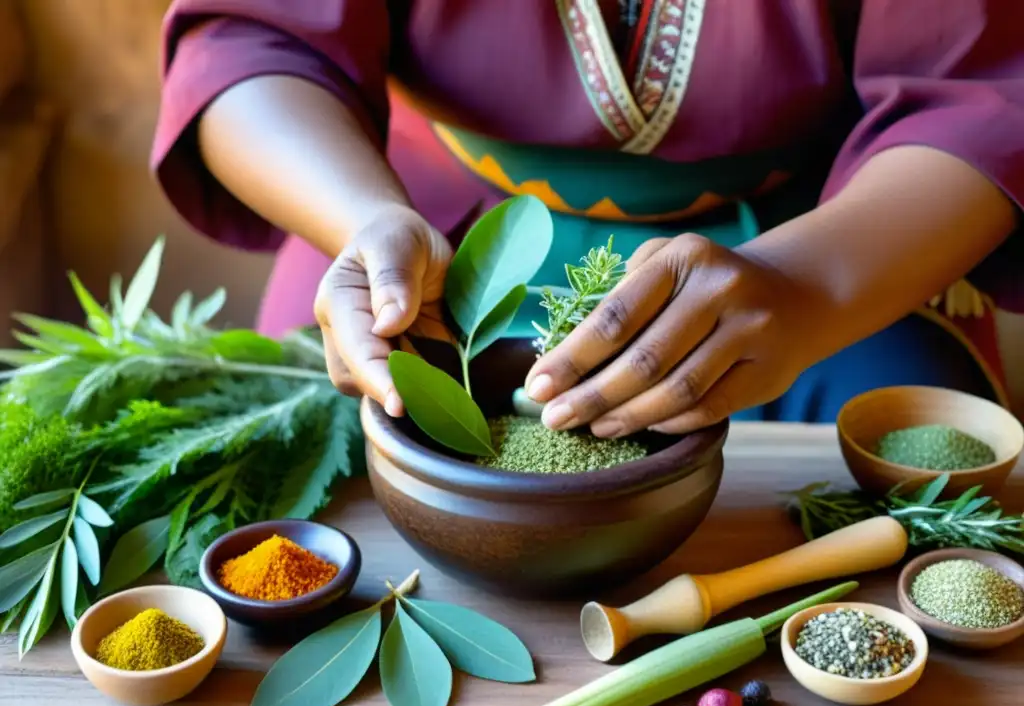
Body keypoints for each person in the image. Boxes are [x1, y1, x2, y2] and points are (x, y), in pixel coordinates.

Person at [152, 0, 1024, 438]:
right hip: (419, 241)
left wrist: (807, 285)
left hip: (818, 247)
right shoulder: (388, 229)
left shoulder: (809, 273)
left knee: (932, 502)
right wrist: (364, 220)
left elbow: (980, 92)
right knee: (316, 496)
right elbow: (257, 35)